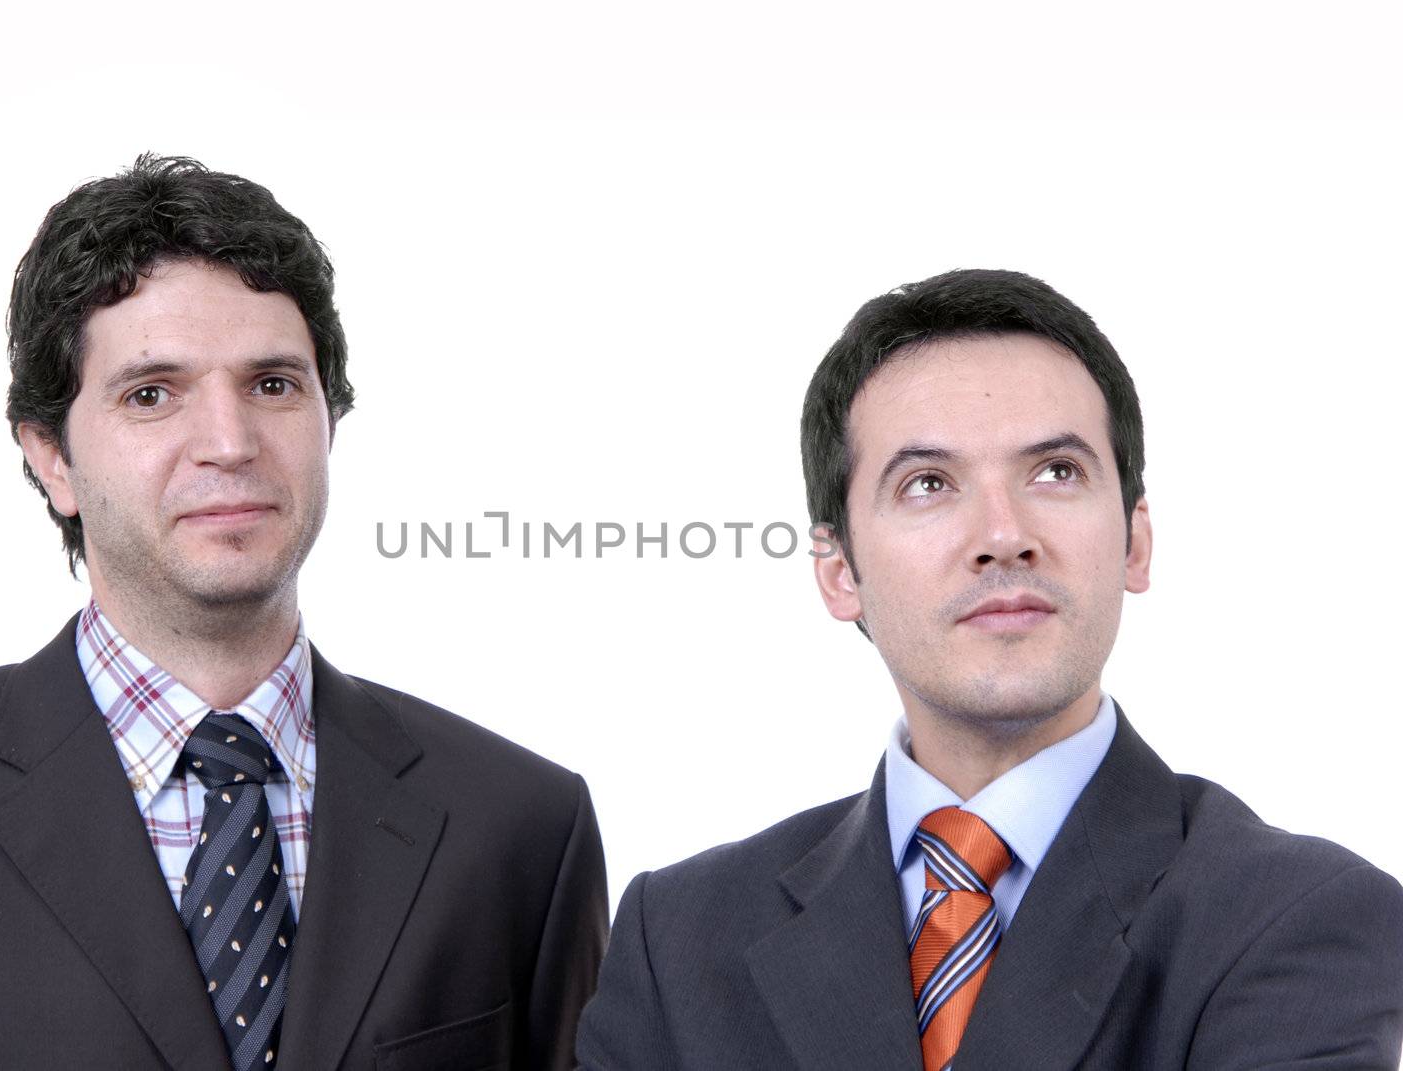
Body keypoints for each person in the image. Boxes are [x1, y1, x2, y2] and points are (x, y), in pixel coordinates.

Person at [0, 155, 607, 1070]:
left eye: (273, 384)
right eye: (152, 394)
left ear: (329, 421)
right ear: (51, 457)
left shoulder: (520, 828)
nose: (229, 442)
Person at [577, 268, 1403, 1068]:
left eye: (1056, 472)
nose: (1003, 533)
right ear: (839, 572)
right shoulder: (678, 941)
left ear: (1135, 541)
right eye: (928, 483)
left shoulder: (1297, 917)